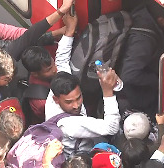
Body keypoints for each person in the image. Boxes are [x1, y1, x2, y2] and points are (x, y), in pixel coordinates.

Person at [45, 13, 121, 157]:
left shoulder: (59, 85)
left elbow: (61, 61)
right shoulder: (70, 125)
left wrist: (69, 31)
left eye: (78, 98)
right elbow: (111, 128)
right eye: (69, 102)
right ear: (56, 99)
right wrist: (107, 92)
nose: (76, 105)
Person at [117, 0, 164, 122]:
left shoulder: (144, 13)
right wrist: (162, 82)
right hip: (135, 98)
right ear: (161, 20)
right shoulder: (143, 40)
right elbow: (129, 75)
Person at [21, 45, 57, 125]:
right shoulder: (41, 102)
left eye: (53, 63)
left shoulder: (44, 65)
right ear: (35, 74)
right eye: (49, 70)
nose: (55, 69)